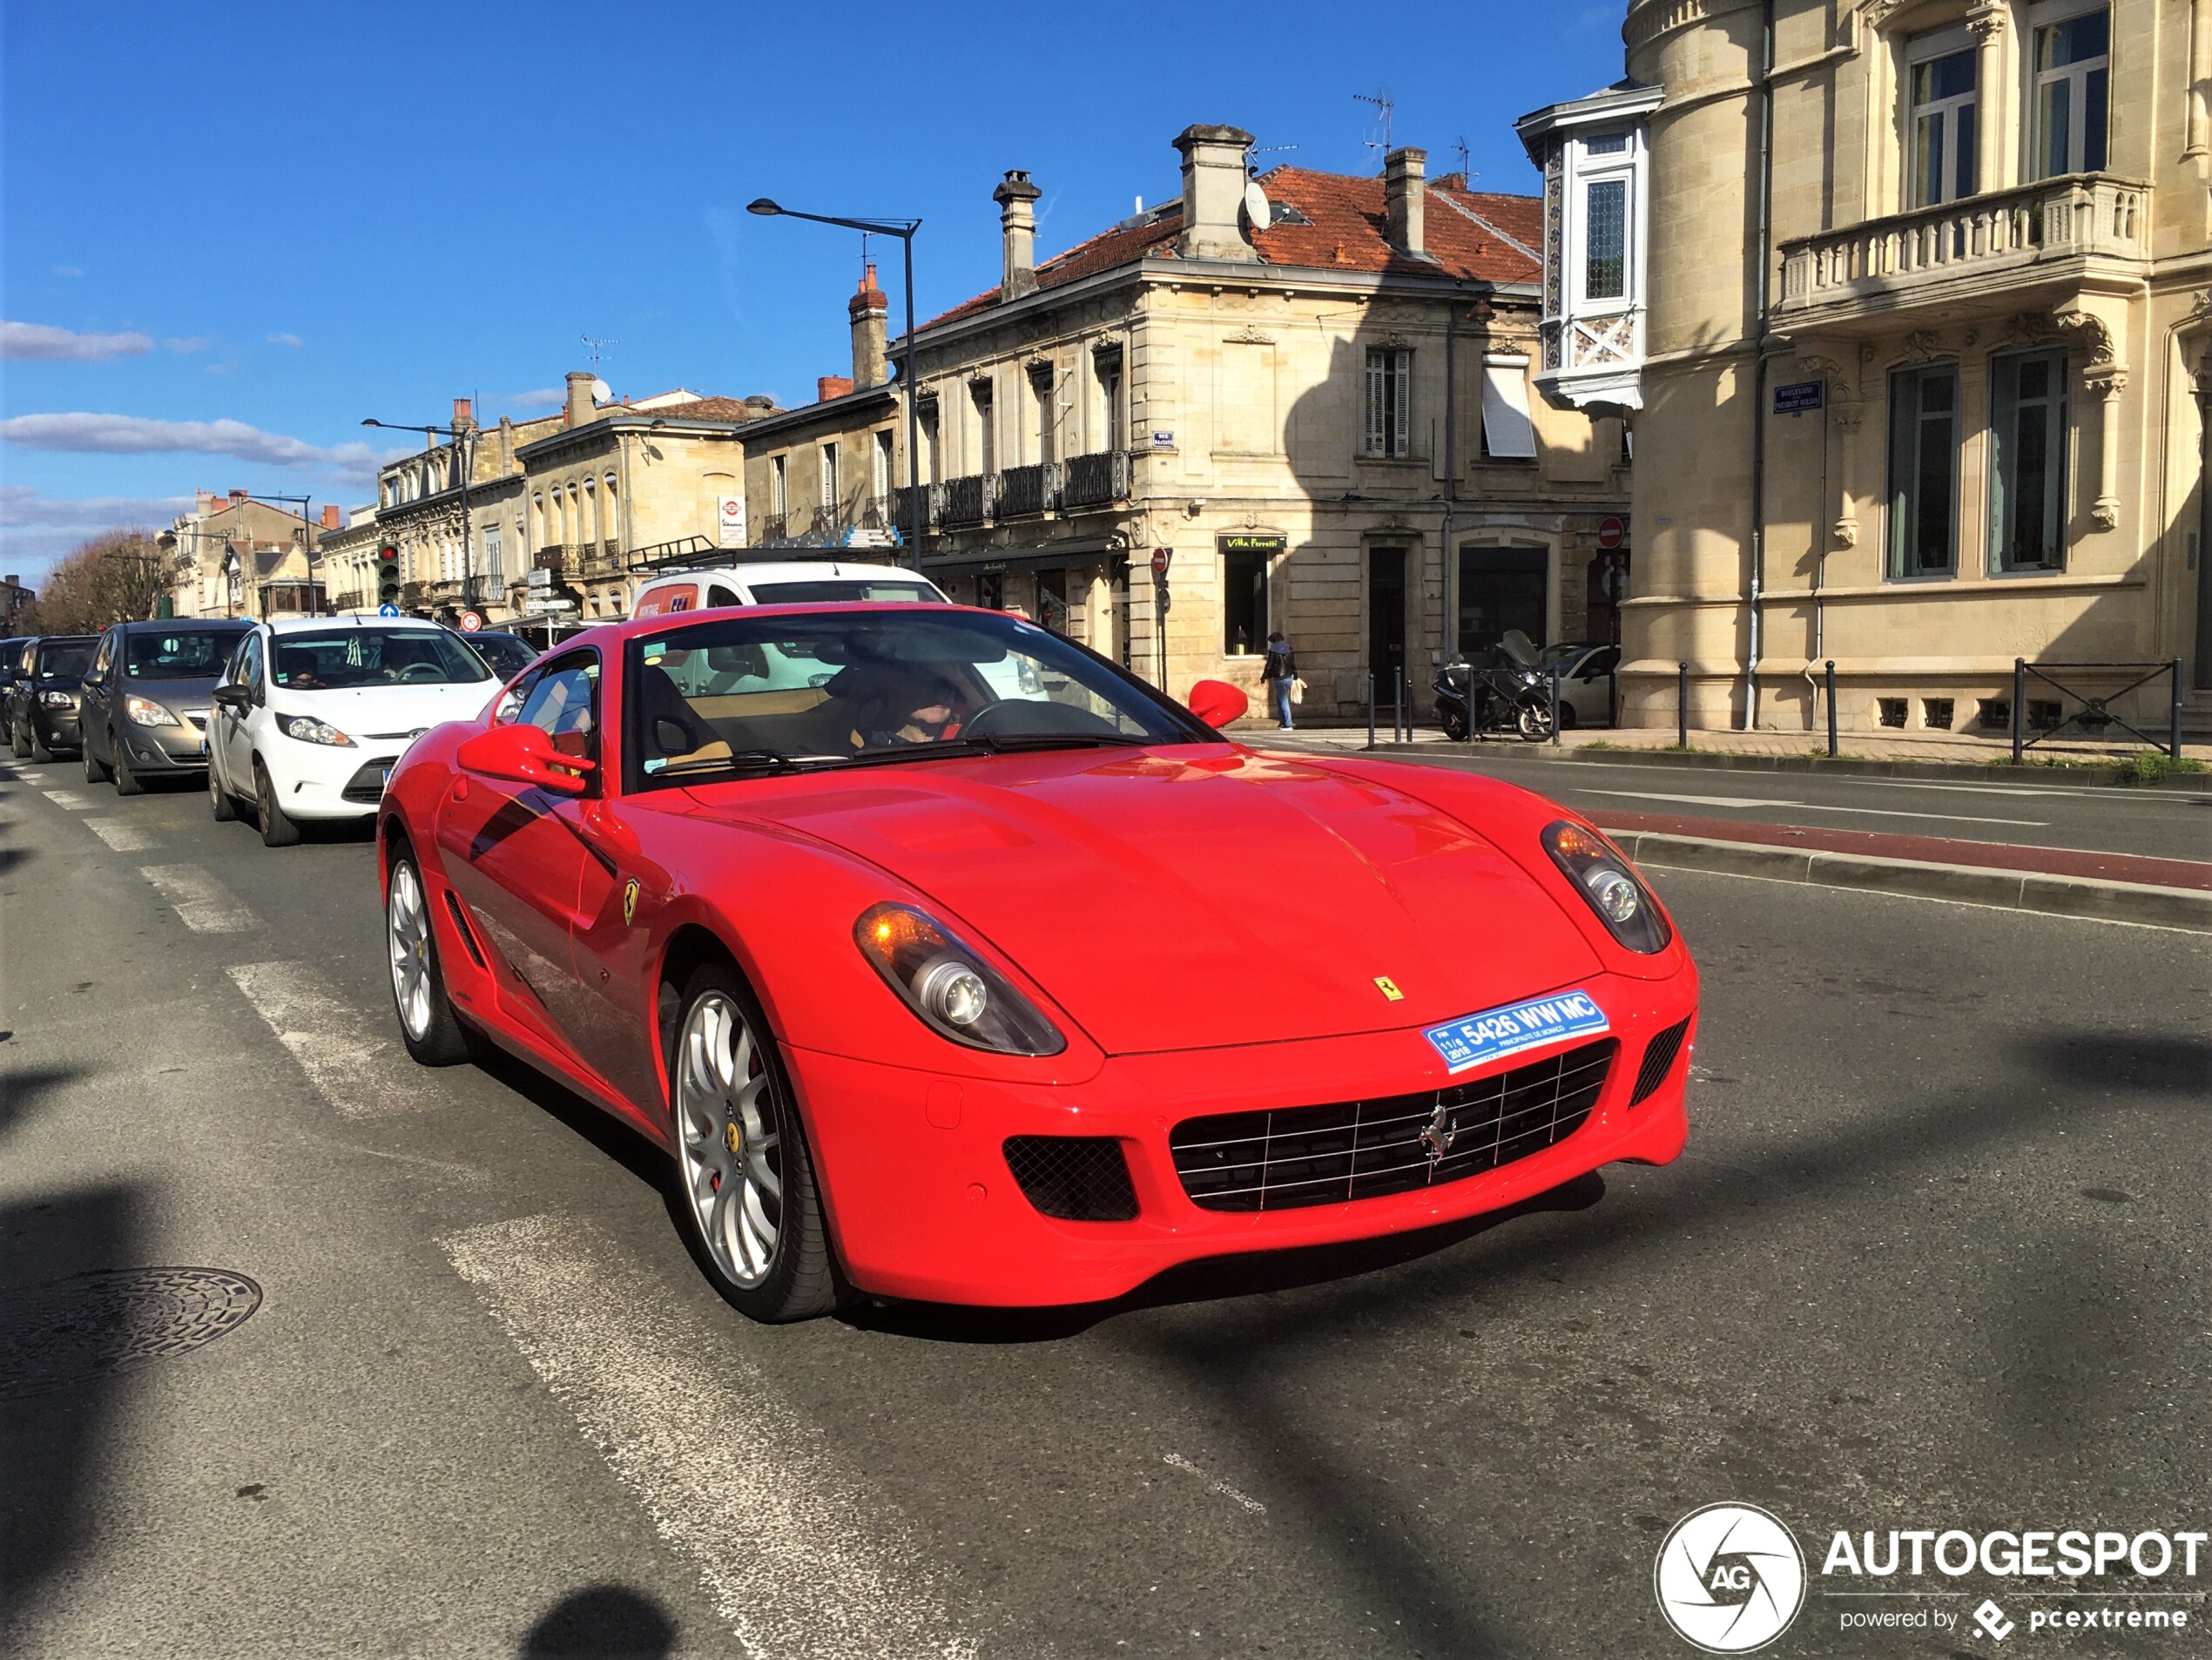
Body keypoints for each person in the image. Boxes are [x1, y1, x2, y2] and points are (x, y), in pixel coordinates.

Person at [1261, 630, 1298, 731]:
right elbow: (1293, 663)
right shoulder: (1289, 648)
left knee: (1283, 700)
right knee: (1280, 699)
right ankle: (1282, 722)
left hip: (1279, 678)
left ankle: (1288, 724)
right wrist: (1295, 675)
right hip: (1289, 676)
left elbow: (1269, 665)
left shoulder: (1273, 650)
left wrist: (1264, 677)